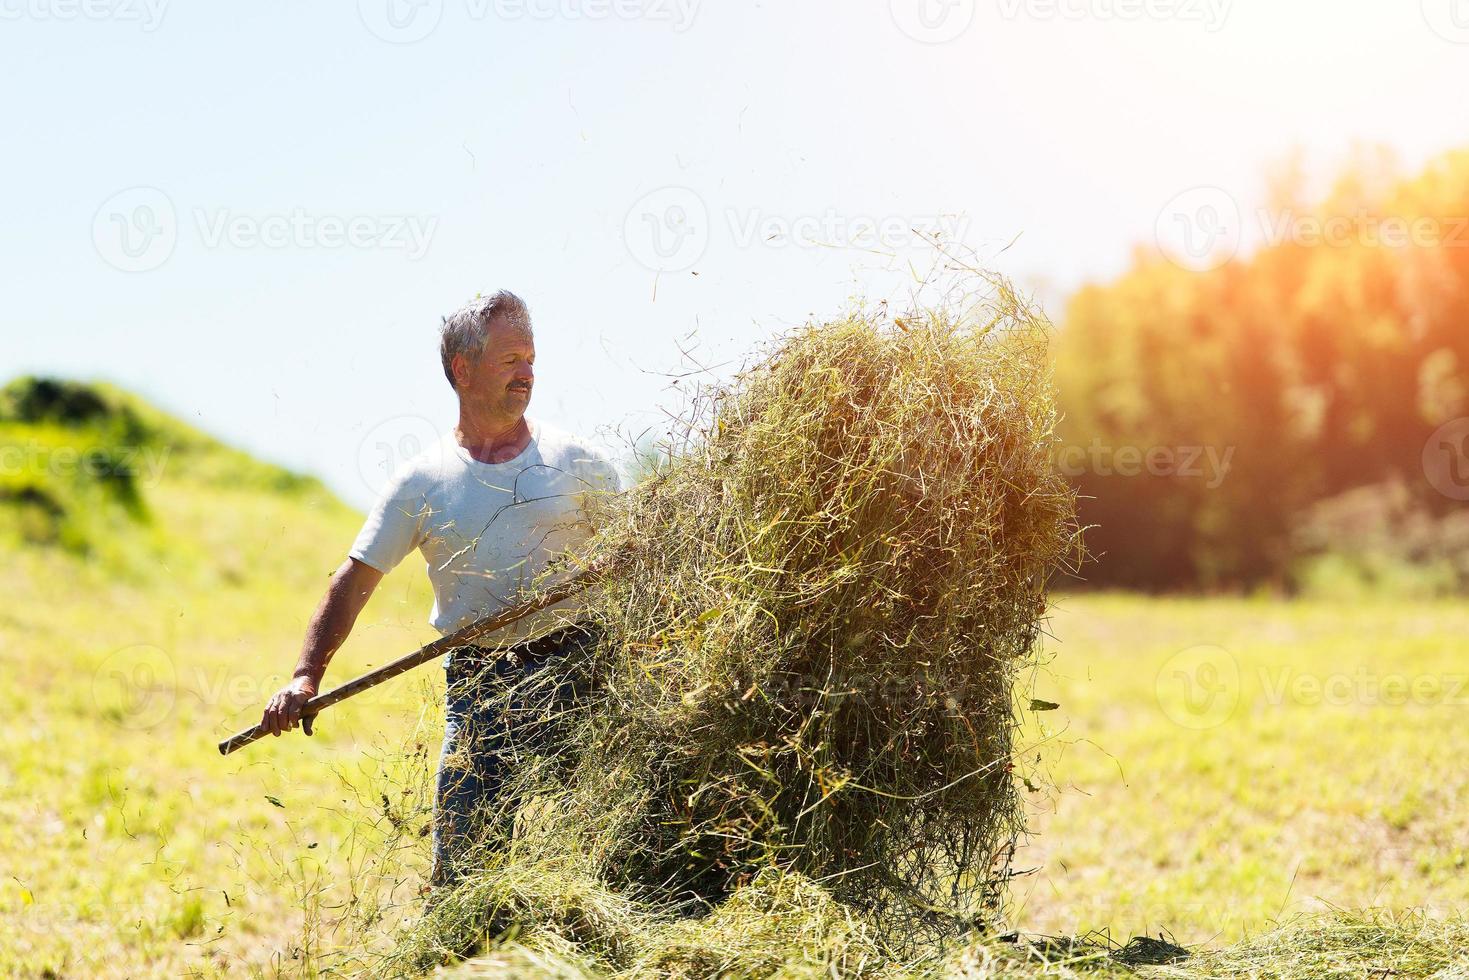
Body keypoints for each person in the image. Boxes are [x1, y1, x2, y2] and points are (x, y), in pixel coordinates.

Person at [258, 290, 620, 884]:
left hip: (583, 675)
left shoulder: (579, 464)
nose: (526, 373)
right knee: (461, 877)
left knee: (600, 859)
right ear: (463, 369)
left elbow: (644, 557)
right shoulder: (424, 482)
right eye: (510, 361)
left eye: (530, 358)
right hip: (481, 687)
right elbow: (352, 581)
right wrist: (306, 674)